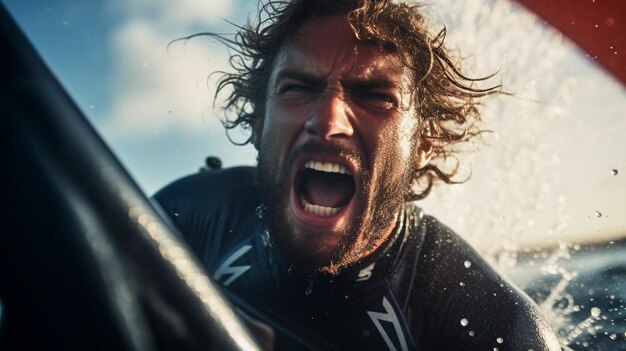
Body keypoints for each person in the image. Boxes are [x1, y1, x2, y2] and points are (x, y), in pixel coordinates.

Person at [155, 0, 564, 350]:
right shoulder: (186, 217)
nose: (328, 120)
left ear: (424, 144)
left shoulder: (490, 327)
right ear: (259, 121)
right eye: (298, 88)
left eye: (375, 96)